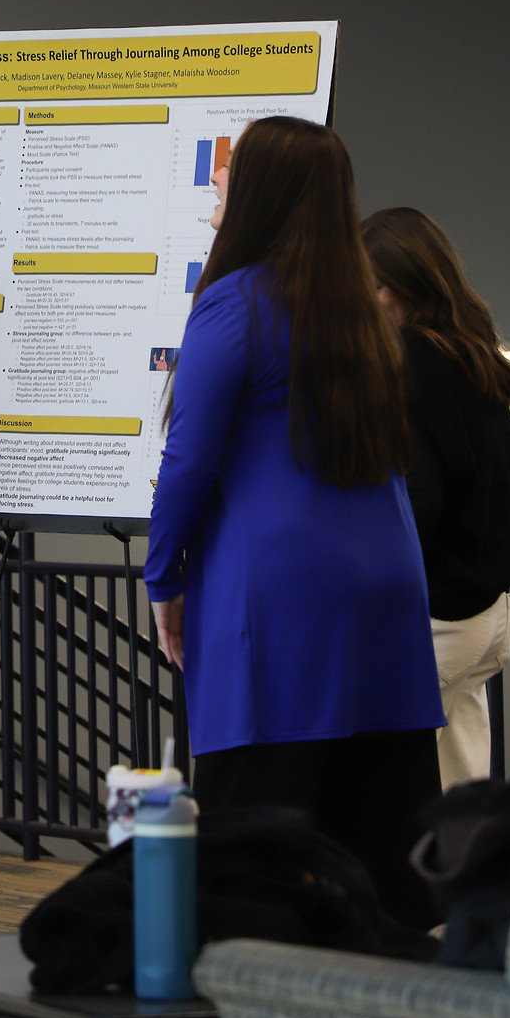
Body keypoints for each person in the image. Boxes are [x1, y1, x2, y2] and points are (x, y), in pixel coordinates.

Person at [142, 117, 446, 929]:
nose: (215, 181)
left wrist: (163, 575)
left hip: (279, 600)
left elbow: (190, 462)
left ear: (263, 194)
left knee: (253, 854)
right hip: (385, 589)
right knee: (384, 851)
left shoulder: (234, 303)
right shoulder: (363, 313)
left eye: (228, 172)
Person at [363, 207, 510, 789]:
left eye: (377, 287)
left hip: (436, 614)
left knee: (378, 790)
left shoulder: (407, 359)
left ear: (413, 286)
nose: (370, 302)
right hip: (489, 612)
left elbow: (417, 498)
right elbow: (508, 458)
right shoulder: (471, 349)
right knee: (458, 791)